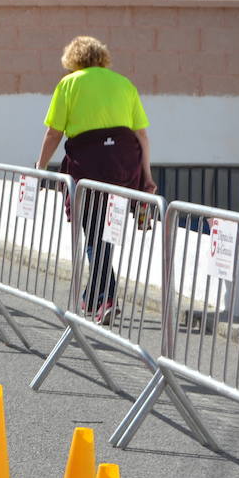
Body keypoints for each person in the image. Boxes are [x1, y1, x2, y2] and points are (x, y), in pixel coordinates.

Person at [35, 35, 155, 325]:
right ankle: (92, 295)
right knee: (105, 231)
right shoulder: (124, 83)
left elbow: (54, 133)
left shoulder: (70, 84)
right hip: (125, 165)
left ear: (72, 59)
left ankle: (107, 297)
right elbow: (142, 135)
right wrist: (147, 178)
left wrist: (40, 167)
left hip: (88, 165)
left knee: (94, 232)